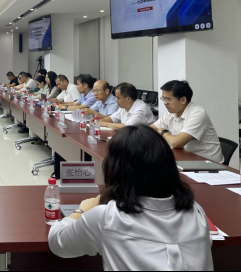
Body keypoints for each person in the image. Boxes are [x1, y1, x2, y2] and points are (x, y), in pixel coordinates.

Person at [49, 125, 213, 271]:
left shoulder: (108, 216)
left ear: (115, 169)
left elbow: (58, 242)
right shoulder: (195, 211)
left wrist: (81, 211)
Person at [152, 80, 224, 164]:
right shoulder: (171, 112)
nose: (164, 103)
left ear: (183, 100)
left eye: (168, 99)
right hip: (187, 159)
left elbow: (176, 143)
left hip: (209, 164)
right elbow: (150, 129)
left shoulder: (197, 114)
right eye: (163, 99)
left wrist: (164, 132)